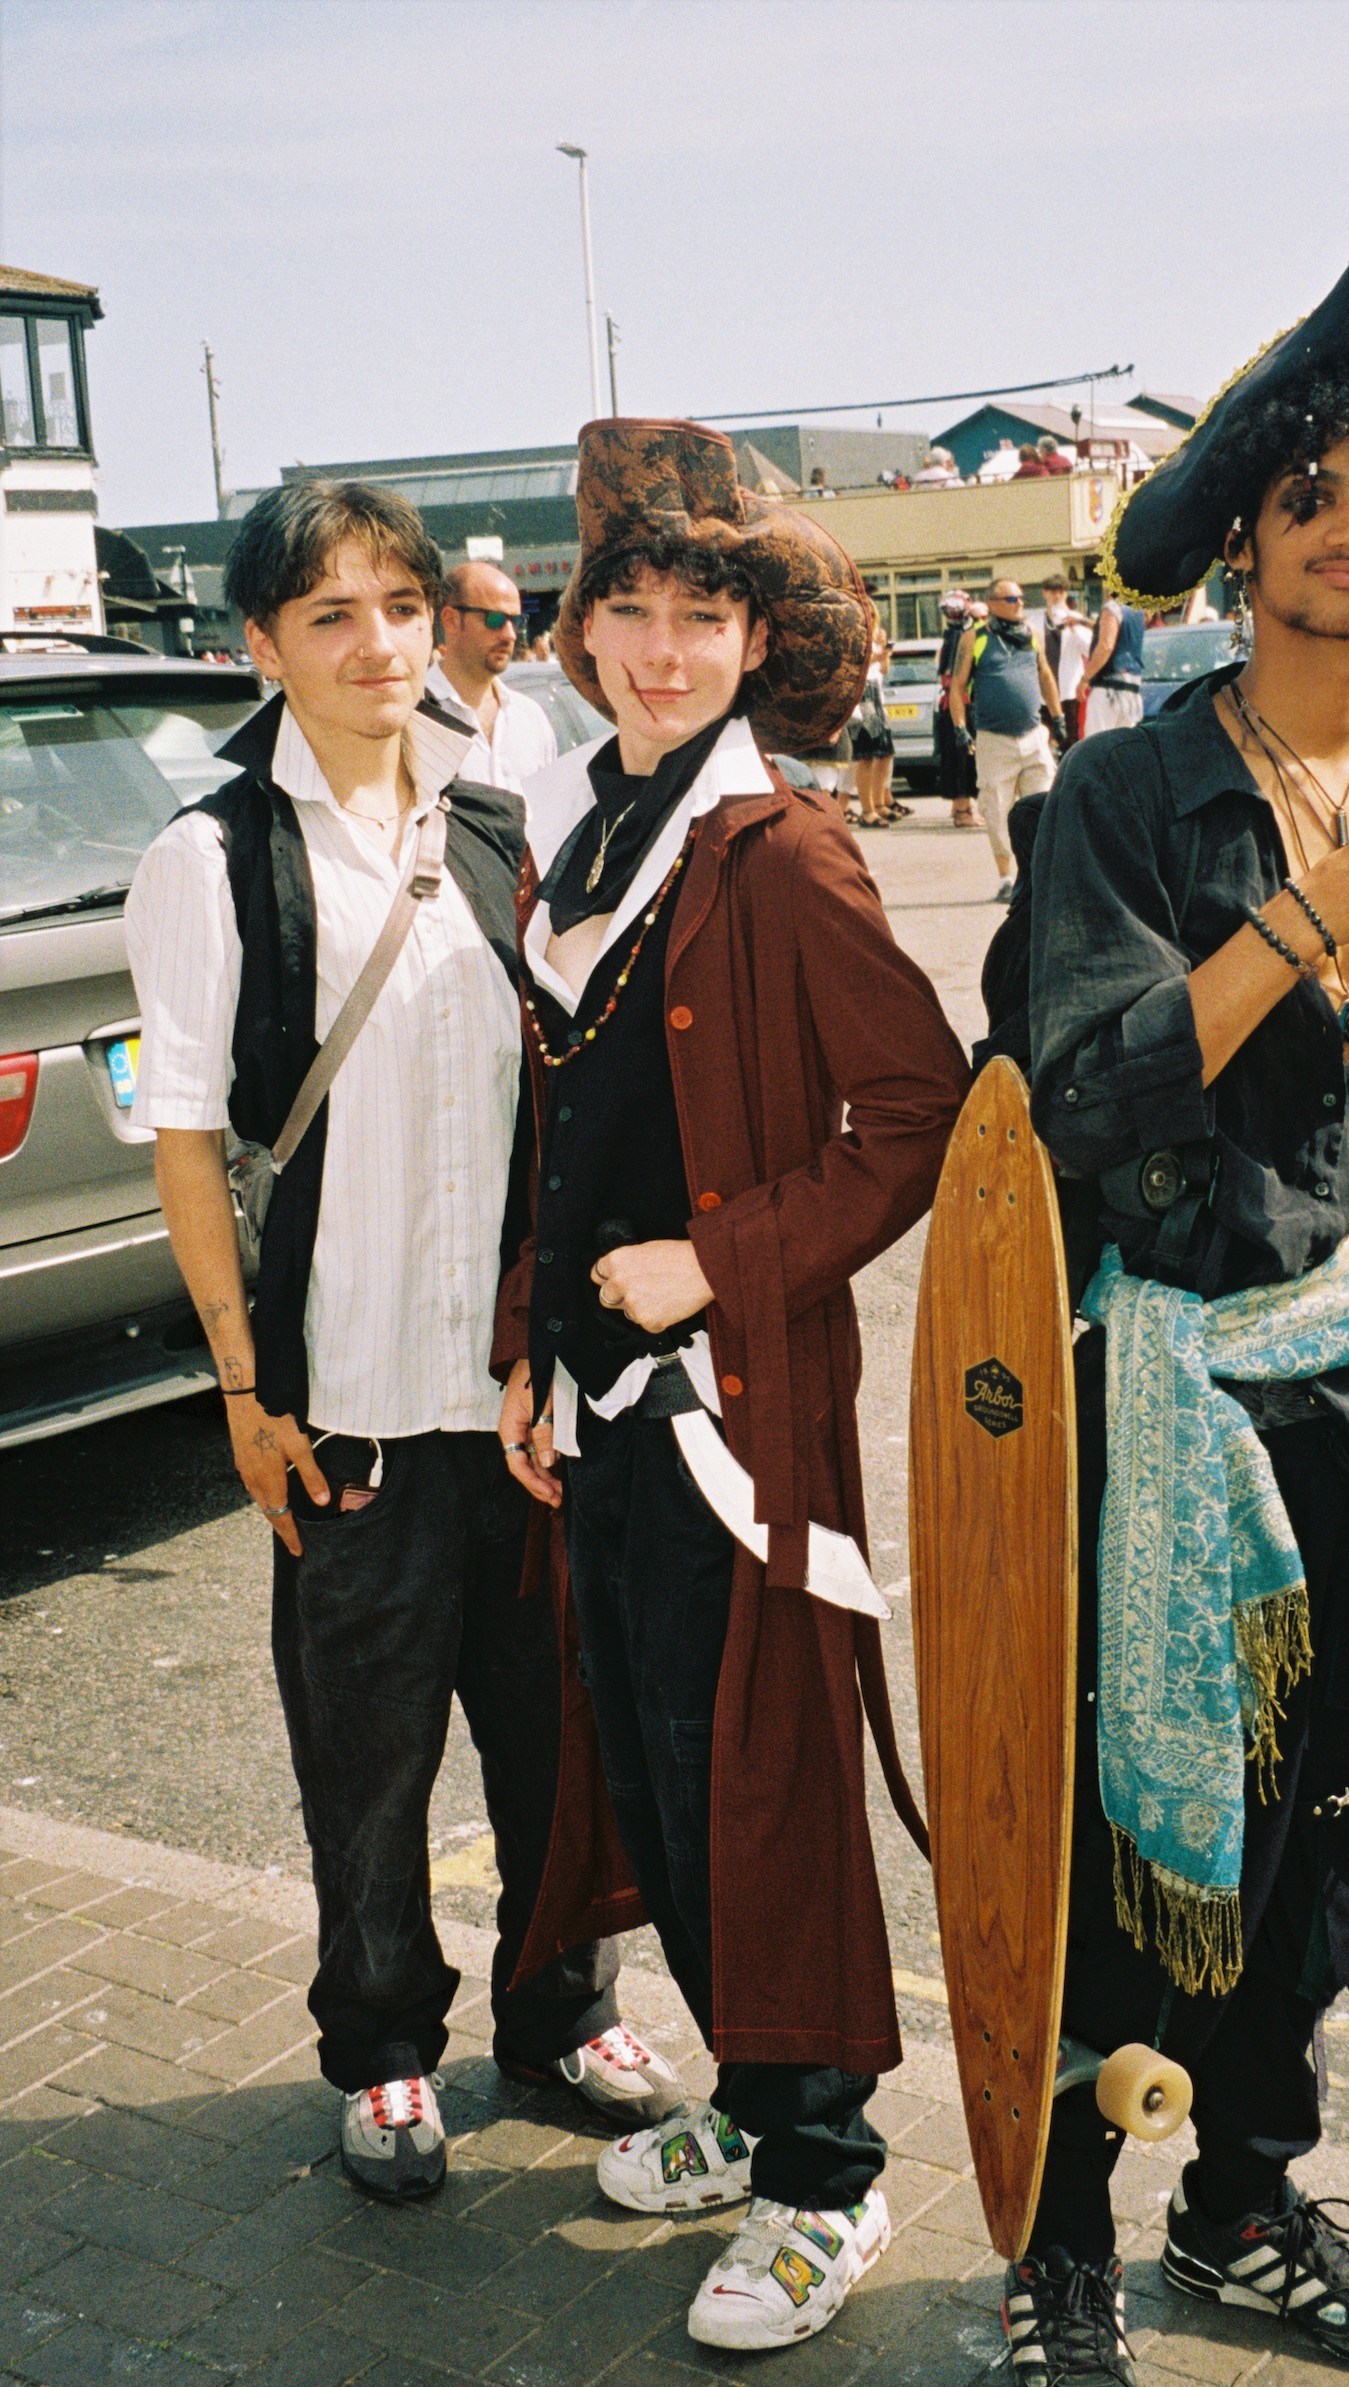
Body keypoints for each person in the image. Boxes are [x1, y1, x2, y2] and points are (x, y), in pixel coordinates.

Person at [992, 220, 1349, 2383]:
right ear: (1237, 534)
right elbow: (1075, 1088)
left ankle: (1237, 2201)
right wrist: (1312, 911)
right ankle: (1056, 2248)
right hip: (1170, 1394)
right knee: (1120, 1845)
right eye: (1307, 499)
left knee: (1321, 1841)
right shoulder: (1126, 791)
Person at [124, 482, 679, 2208]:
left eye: (400, 603)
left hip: (516, 1402)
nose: (379, 644)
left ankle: (557, 2008)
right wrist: (240, 1388)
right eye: (331, 615)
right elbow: (190, 1141)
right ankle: (380, 2048)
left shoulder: (512, 825)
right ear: (261, 645)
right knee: (366, 1770)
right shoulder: (213, 857)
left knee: (557, 1740)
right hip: (346, 1406)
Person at [493, 418, 971, 2353]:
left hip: (733, 1416)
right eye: (637, 609)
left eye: (707, 614)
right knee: (663, 1783)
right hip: (603, 1403)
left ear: (755, 640)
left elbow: (917, 1108)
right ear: (584, 629)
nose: (668, 645)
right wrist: (537, 1338)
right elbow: (567, 1123)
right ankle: (748, 2115)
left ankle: (825, 2176)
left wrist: (725, 1259)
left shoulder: (780, 844)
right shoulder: (587, 817)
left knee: (758, 1789)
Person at [948, 577, 1067, 901]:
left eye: (1022, 599)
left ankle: (1042, 877)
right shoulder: (975, 638)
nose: (1021, 604)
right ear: (994, 604)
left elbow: (1044, 675)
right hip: (994, 739)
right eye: (1013, 599)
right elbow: (957, 686)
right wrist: (960, 727)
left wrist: (1058, 718)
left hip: (1033, 736)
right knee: (997, 810)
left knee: (1043, 808)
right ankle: (1006, 878)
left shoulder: (1030, 635)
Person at [427, 558, 557, 794]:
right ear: (451, 620)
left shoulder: (531, 718)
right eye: (494, 619)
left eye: (516, 621)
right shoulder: (416, 714)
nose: (510, 635)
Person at [851, 606, 901, 827]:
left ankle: (879, 804)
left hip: (876, 695)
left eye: (872, 614)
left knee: (885, 753)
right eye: (865, 614)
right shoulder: (853, 636)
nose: (869, 618)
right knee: (866, 755)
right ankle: (867, 809)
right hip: (862, 696)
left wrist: (884, 652)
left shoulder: (876, 637)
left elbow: (884, 669)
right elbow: (854, 667)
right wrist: (876, 656)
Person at [935, 588, 979, 825]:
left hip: (949, 703)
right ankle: (963, 811)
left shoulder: (949, 636)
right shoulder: (963, 636)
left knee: (955, 757)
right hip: (960, 703)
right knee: (962, 758)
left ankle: (959, 807)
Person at [1079, 587, 1146, 735]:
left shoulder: (1112, 608)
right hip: (1131, 689)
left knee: (1096, 745)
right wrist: (1082, 621)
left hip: (1108, 688)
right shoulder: (1138, 611)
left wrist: (1085, 679)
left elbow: (1106, 646)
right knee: (1123, 748)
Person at [1039, 573, 1093, 749]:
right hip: (1043, 692)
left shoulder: (1076, 617)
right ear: (1044, 593)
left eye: (1060, 592)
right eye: (1051, 591)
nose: (1056, 596)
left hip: (1069, 690)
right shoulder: (1036, 619)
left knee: (1071, 739)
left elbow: (1089, 649)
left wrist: (1076, 627)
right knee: (1045, 738)